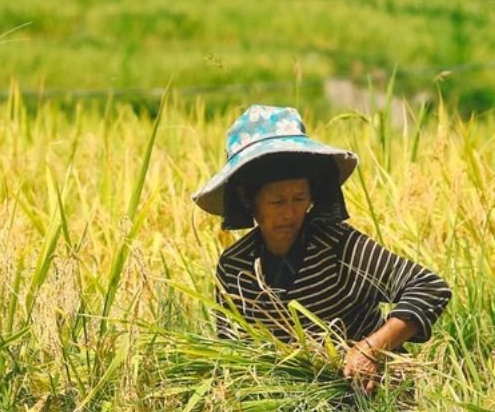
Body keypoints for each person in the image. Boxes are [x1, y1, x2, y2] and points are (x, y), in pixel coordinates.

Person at [192, 104, 450, 394]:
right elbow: (232, 349)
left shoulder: (338, 245)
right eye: (277, 202)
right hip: (290, 400)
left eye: (299, 198)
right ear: (249, 200)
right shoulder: (235, 266)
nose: (290, 213)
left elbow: (429, 287)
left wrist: (371, 348)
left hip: (370, 395)